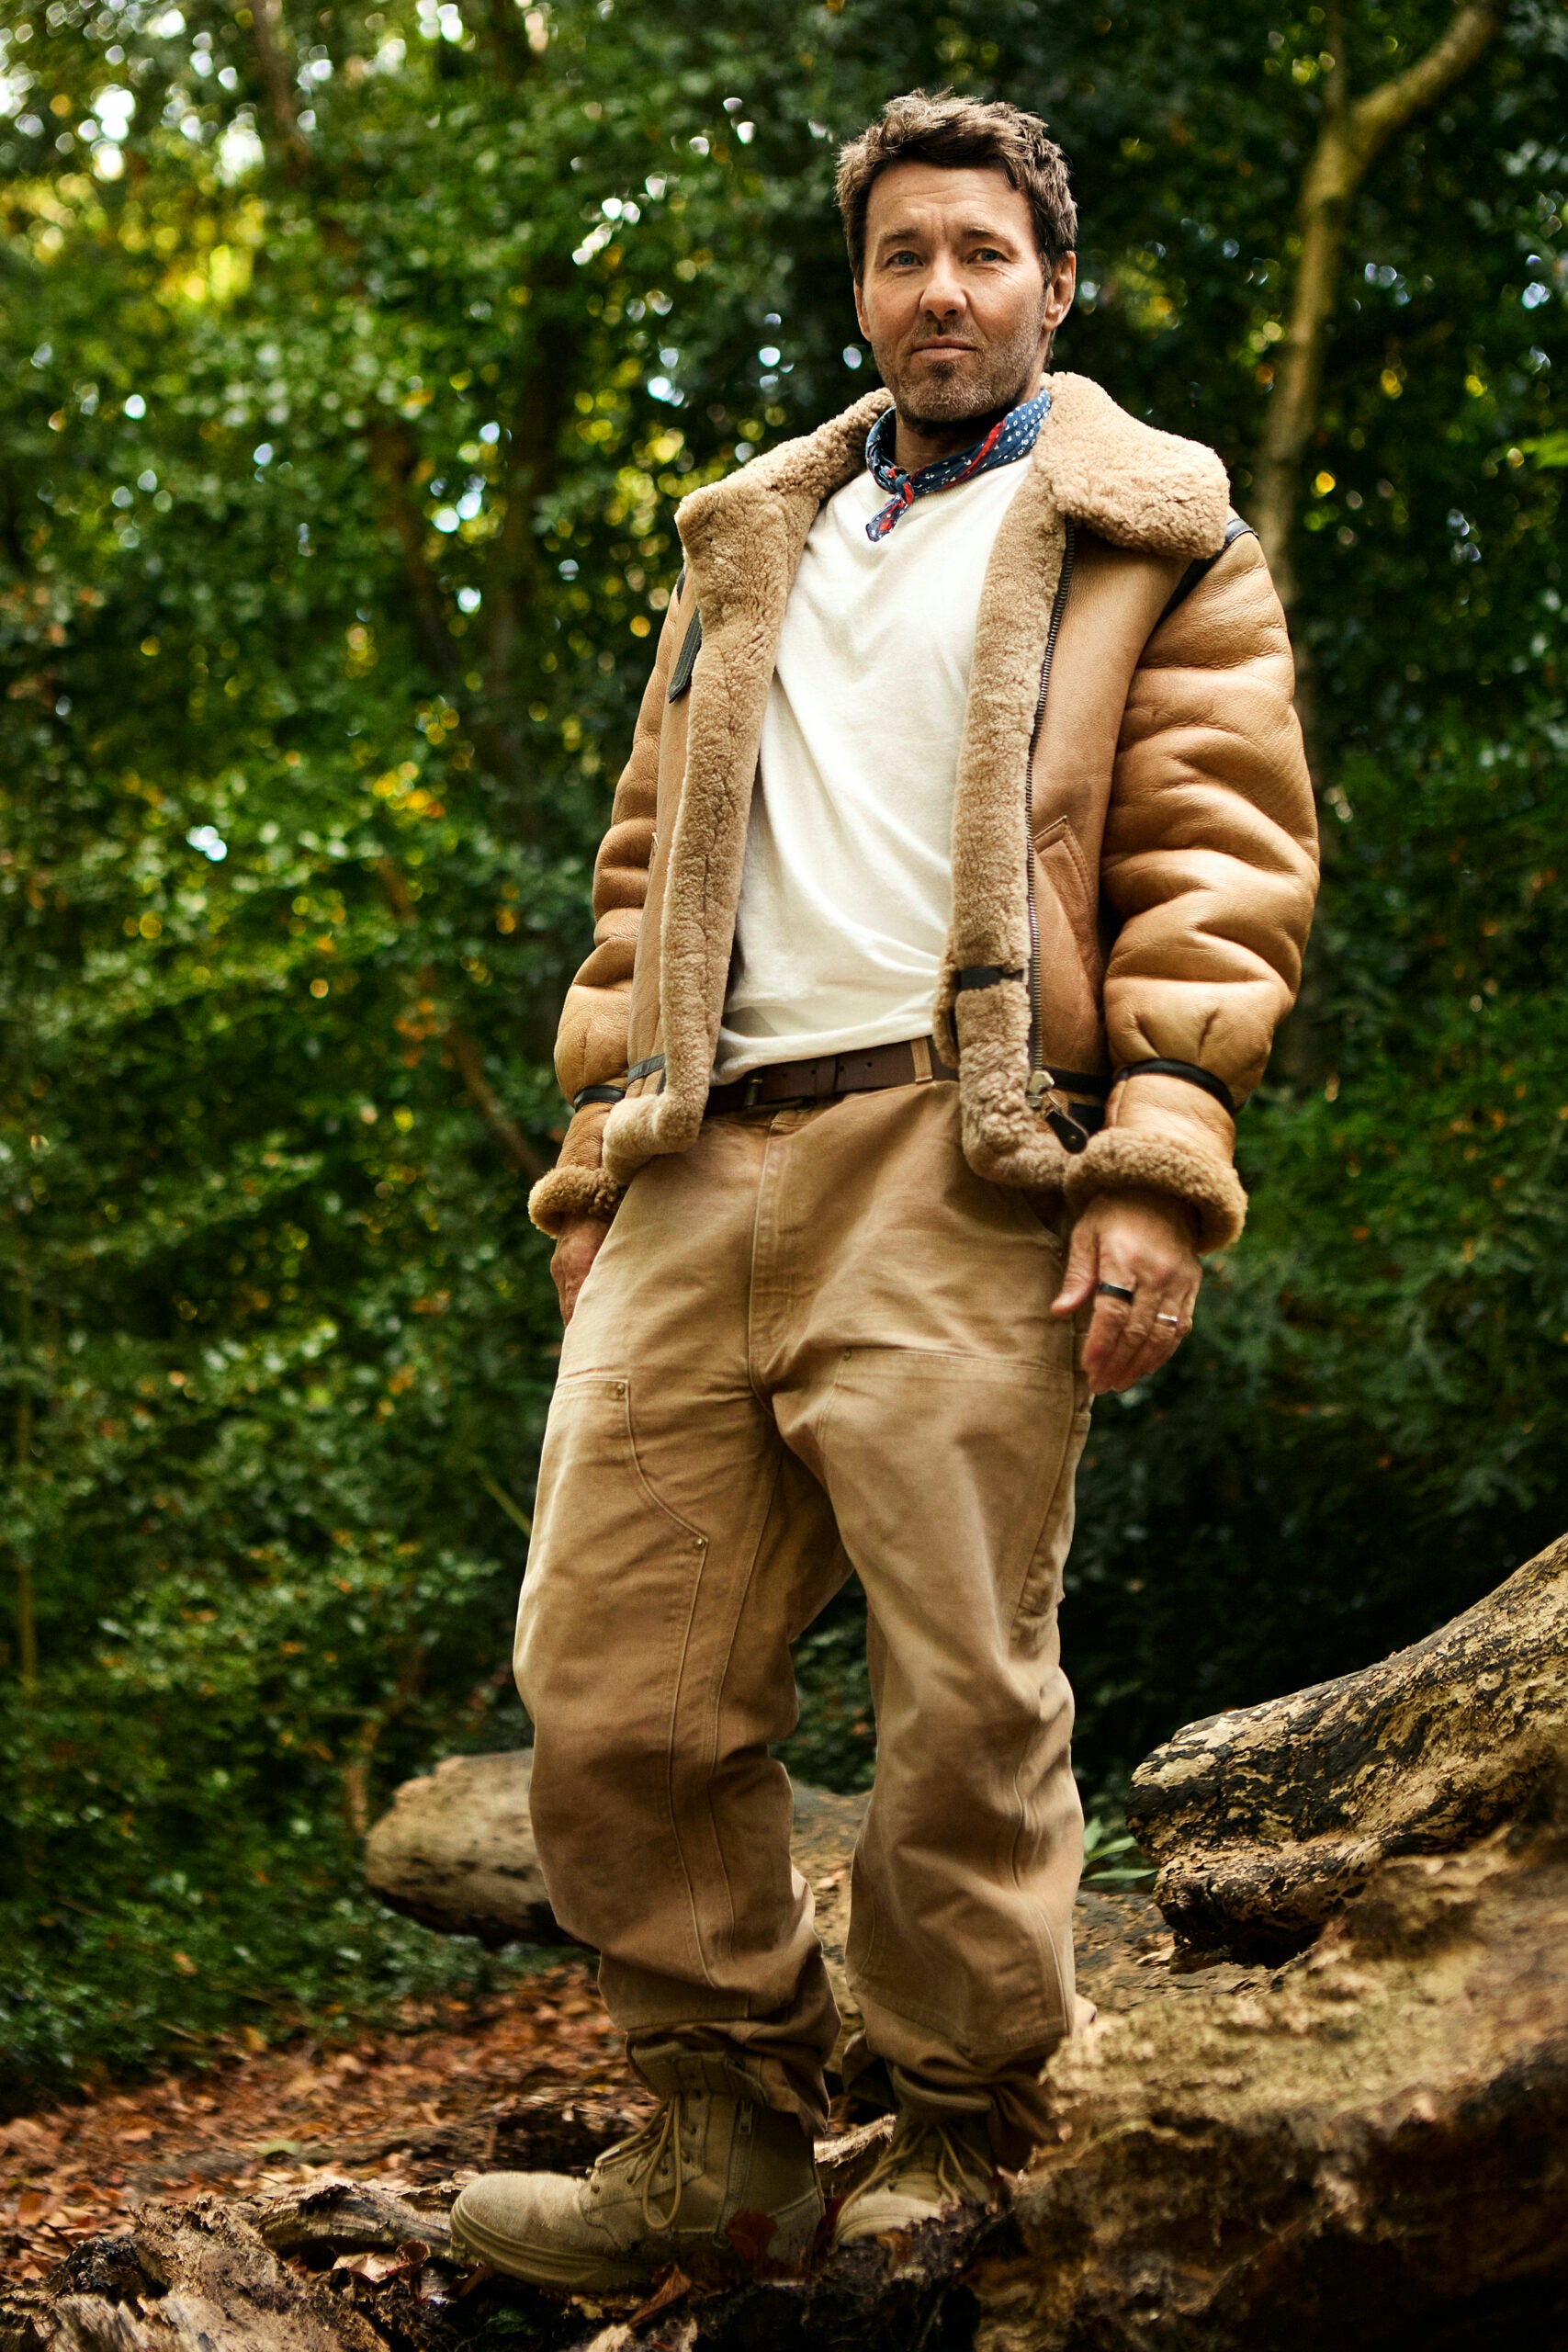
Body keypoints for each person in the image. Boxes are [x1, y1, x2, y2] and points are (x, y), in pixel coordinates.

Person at [451, 90, 1317, 2290]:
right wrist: (589, 1157)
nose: (940, 290)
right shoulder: (749, 537)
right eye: (901, 254)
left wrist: (1159, 1159)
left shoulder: (1148, 534)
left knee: (958, 1685)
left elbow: (1218, 861)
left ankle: (961, 2119)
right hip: (693, 1160)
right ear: (859, 289)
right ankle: (723, 2129)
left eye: (980, 253)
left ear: (1052, 284)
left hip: (958, 1149)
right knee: (607, 1673)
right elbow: (641, 870)